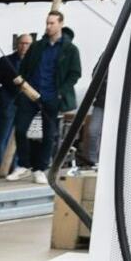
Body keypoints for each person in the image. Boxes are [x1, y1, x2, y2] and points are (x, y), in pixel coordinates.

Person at [26, 10, 84, 176]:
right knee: (23, 128)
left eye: (52, 23)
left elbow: (75, 73)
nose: (48, 26)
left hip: (53, 95)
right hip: (35, 92)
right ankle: (31, 164)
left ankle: (43, 166)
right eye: (47, 23)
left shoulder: (71, 49)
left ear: (60, 24)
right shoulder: (40, 46)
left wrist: (61, 92)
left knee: (49, 133)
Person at [0, 33, 32, 179]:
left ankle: (15, 168)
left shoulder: (35, 61)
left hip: (26, 103)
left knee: (19, 137)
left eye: (27, 44)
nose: (24, 46)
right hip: (8, 102)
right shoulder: (5, 60)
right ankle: (2, 169)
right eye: (22, 43)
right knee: (3, 137)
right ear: (17, 44)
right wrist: (1, 97)